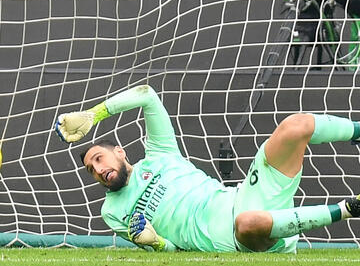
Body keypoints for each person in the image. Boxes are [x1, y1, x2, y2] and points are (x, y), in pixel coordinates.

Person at [55, 84, 360, 252]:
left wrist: (93, 115)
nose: (97, 170)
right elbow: (169, 249)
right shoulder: (111, 212)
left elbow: (147, 95)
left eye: (98, 158)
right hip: (236, 235)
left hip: (244, 195)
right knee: (248, 222)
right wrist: (156, 243)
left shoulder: (161, 154)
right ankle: (350, 208)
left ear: (120, 152)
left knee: (295, 126)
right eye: (91, 171)